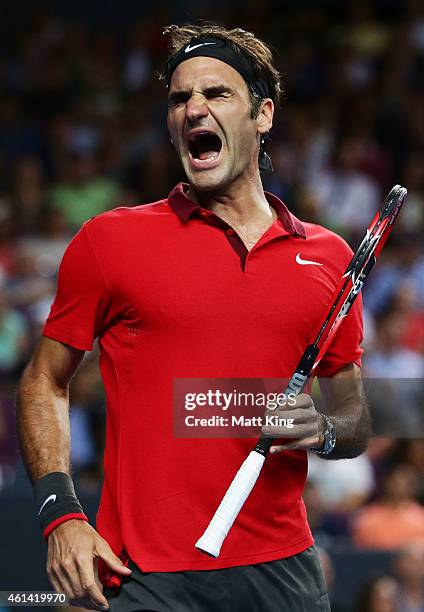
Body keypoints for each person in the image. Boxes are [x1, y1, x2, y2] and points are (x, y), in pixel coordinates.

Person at [16, 24, 370, 612]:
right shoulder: (111, 241)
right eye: (180, 99)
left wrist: (325, 430)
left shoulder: (329, 257)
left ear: (264, 114)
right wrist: (61, 514)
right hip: (146, 577)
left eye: (216, 94)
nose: (193, 109)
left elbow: (356, 413)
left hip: (284, 573)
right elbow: (43, 380)